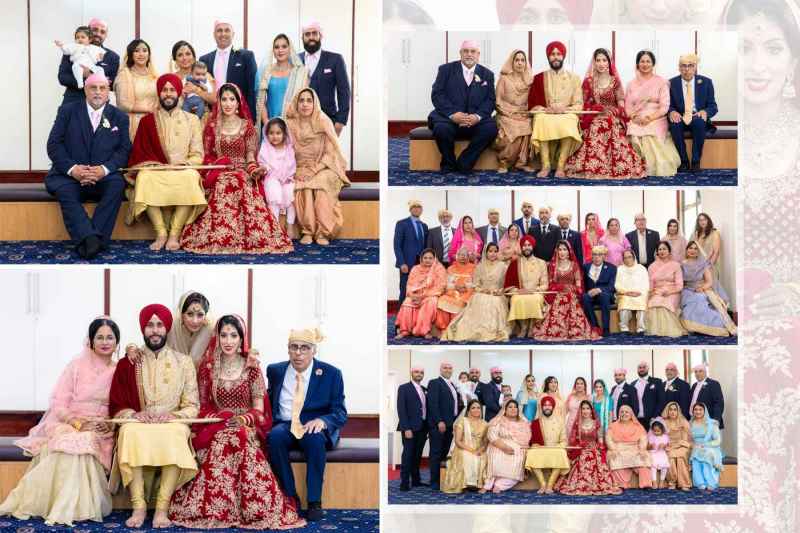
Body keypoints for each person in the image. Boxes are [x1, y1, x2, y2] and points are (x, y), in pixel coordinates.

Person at [169, 316, 305, 529]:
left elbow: (259, 409)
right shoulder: (209, 368)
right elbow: (202, 405)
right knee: (226, 436)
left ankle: (252, 508)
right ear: (217, 337)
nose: (228, 340)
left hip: (247, 426)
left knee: (237, 435)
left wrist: (242, 419)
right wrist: (221, 419)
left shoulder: (252, 368)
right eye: (224, 335)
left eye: (234, 335)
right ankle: (218, 507)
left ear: (242, 339)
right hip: (216, 426)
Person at [0, 318, 118, 526]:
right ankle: (63, 505)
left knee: (86, 440)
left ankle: (74, 505)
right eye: (99, 337)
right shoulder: (76, 366)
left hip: (101, 428)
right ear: (90, 341)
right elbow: (59, 403)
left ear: (117, 342)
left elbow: (121, 405)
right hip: (70, 422)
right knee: (71, 440)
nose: (105, 341)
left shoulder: (119, 370)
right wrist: (76, 422)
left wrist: (110, 423)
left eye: (110, 337)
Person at [109, 304, 199, 528]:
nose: (155, 330)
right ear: (143, 329)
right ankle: (138, 507)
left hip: (172, 422)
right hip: (139, 422)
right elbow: (117, 402)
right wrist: (135, 415)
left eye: (160, 325)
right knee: (129, 432)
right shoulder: (130, 362)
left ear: (167, 328)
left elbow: (192, 404)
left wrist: (173, 415)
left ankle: (161, 509)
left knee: (177, 434)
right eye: (150, 325)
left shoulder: (184, 362)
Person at [180, 83, 293, 254]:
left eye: (232, 99)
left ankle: (248, 237)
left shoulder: (247, 126)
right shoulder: (211, 126)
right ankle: (222, 237)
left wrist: (254, 169)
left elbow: (250, 154)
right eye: (224, 99)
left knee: (238, 180)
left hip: (242, 170)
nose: (227, 103)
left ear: (238, 103)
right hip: (219, 169)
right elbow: (208, 155)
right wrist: (218, 165)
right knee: (226, 182)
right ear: (218, 101)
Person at [45, 73, 130, 259]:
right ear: (85, 90)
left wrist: (104, 170)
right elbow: (54, 144)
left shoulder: (120, 117)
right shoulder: (67, 111)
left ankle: (90, 238)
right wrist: (73, 169)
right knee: (65, 191)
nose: (98, 92)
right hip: (70, 175)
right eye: (93, 88)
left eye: (102, 88)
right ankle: (94, 239)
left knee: (117, 185)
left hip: (104, 176)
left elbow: (124, 151)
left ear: (109, 92)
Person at [266, 328, 347, 522]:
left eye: (304, 348)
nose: (298, 353)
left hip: (314, 426)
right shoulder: (275, 371)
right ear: (288, 349)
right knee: (274, 437)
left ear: (314, 350)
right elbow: (267, 399)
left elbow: (340, 413)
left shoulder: (331, 374)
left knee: (314, 440)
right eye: (294, 347)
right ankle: (290, 497)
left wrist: (323, 421)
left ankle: (314, 501)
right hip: (285, 424)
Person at [125, 73, 207, 252]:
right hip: (157, 170)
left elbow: (198, 153)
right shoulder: (147, 121)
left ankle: (174, 234)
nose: (168, 94)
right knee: (145, 178)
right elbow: (139, 154)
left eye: (172, 90)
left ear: (178, 93)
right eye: (164, 90)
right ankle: (161, 232)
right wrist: (153, 165)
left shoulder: (192, 120)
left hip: (183, 170)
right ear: (159, 93)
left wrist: (185, 165)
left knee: (191, 178)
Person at [564, 47, 647, 179]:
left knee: (608, 123)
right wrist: (596, 108)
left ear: (609, 62)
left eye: (604, 60)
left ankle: (611, 165)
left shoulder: (615, 82)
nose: (601, 63)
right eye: (598, 60)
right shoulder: (588, 82)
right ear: (594, 62)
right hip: (594, 116)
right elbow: (583, 103)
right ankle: (595, 166)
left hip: (612, 116)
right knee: (597, 126)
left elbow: (621, 104)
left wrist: (612, 110)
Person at [285, 88, 351, 245]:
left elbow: (331, 153)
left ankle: (323, 232)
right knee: (303, 186)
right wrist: (295, 170)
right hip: (300, 166)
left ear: (315, 103)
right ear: (296, 103)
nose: (305, 104)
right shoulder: (290, 124)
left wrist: (314, 169)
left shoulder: (323, 121)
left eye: (309, 100)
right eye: (302, 101)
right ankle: (308, 231)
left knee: (320, 185)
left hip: (325, 167)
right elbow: (285, 152)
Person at [428, 40, 498, 173]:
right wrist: (453, 114)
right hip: (449, 119)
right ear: (460, 53)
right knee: (441, 129)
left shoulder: (487, 74)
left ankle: (465, 162)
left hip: (475, 121)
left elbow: (490, 100)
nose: (469, 54)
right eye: (465, 51)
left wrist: (477, 117)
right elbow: (437, 94)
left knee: (491, 128)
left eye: (473, 51)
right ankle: (448, 163)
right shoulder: (445, 70)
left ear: (478, 55)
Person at [528, 41, 583, 178]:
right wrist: (546, 109)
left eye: (558, 54)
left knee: (570, 121)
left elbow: (578, 104)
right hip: (546, 113)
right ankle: (545, 165)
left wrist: (563, 109)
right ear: (548, 57)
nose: (556, 57)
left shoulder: (574, 79)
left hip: (566, 114)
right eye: (552, 54)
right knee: (540, 119)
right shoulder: (539, 78)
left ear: (563, 56)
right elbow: (533, 105)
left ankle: (560, 166)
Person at [625, 50, 681, 176]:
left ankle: (652, 168)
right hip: (637, 117)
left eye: (648, 61)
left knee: (648, 133)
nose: (645, 64)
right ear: (637, 64)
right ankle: (636, 167)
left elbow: (664, 107)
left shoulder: (661, 82)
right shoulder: (631, 84)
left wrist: (649, 118)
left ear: (653, 64)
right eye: (642, 61)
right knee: (633, 132)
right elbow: (627, 106)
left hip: (656, 118)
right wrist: (634, 117)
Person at [441, 243, 511, 342]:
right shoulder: (480, 266)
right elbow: (476, 284)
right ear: (486, 253)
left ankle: (493, 331)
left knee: (495, 302)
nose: (493, 254)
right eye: (490, 251)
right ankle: (477, 330)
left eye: (495, 251)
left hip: (497, 294)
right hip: (482, 292)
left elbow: (506, 284)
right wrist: (483, 290)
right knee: (479, 299)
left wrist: (499, 291)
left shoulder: (503, 266)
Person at [533, 240, 601, 341]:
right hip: (555, 294)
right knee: (564, 296)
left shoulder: (574, 265)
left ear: (569, 251)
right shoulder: (553, 266)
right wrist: (561, 288)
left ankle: (572, 330)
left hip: (572, 294)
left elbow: (578, 285)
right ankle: (559, 330)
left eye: (564, 249)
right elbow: (550, 284)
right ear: (557, 251)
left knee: (568, 296)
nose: (562, 252)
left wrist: (570, 288)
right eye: (560, 249)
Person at [554, 401, 622, 495]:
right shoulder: (577, 424)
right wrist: (576, 449)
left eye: (587, 408)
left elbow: (600, 441)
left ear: (591, 411)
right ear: (580, 411)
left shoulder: (596, 424)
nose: (585, 411)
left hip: (594, 451)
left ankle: (594, 483)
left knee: (593, 459)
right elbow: (573, 440)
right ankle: (582, 483)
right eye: (583, 409)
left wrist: (601, 451)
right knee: (582, 458)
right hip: (580, 451)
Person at [668, 53, 718, 172]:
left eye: (690, 65)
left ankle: (696, 161)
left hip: (696, 115)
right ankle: (683, 161)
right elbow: (668, 105)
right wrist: (672, 111)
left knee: (699, 122)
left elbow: (713, 106)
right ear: (679, 67)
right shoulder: (671, 83)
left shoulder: (706, 82)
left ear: (695, 67)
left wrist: (705, 112)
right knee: (675, 124)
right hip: (680, 116)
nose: (686, 69)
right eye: (683, 66)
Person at [298, 22, 351, 135]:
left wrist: (340, 122)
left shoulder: (335, 59)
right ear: (302, 38)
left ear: (320, 36)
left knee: (328, 153)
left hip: (328, 122)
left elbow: (344, 92)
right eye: (307, 34)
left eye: (314, 33)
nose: (311, 37)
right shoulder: (296, 60)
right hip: (301, 124)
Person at [199, 20, 258, 117]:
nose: (223, 34)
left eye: (227, 30)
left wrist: (250, 117)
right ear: (214, 34)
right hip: (212, 114)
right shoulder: (204, 59)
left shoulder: (246, 56)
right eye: (219, 30)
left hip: (239, 115)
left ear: (233, 34)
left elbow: (252, 89)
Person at [58, 18, 120, 106]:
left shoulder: (112, 57)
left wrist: (90, 74)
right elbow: (63, 77)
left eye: (102, 32)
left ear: (106, 35)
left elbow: (113, 83)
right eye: (95, 30)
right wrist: (86, 80)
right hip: (73, 103)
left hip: (100, 106)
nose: (98, 34)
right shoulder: (72, 50)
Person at [255, 33, 309, 134]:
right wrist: (267, 122)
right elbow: (260, 100)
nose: (280, 50)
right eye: (276, 47)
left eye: (284, 46)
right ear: (273, 50)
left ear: (290, 49)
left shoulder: (299, 73)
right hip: (271, 126)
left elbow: (304, 101)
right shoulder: (266, 71)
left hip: (293, 126)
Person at [681, 241, 738, 336]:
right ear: (686, 250)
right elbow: (681, 281)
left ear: (698, 252)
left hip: (703, 288)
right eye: (690, 248)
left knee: (707, 301)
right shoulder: (681, 264)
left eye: (696, 249)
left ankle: (719, 327)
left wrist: (702, 288)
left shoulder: (703, 264)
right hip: (687, 290)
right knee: (691, 303)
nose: (693, 250)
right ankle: (695, 327)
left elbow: (709, 281)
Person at [493, 49, 534, 172]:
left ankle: (521, 163)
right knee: (512, 127)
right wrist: (510, 113)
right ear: (512, 62)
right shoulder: (504, 79)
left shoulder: (529, 82)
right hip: (505, 114)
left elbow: (531, 102)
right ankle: (504, 162)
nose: (520, 63)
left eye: (523, 60)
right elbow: (498, 102)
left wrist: (525, 112)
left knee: (528, 124)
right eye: (517, 60)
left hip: (523, 115)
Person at [480, 400, 531, 493]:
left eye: (515, 407)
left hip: (517, 450)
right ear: (505, 409)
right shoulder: (498, 420)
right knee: (496, 455)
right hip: (498, 446)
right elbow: (491, 435)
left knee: (518, 459)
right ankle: (488, 484)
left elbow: (528, 438)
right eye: (510, 407)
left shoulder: (524, 422)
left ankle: (500, 485)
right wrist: (504, 447)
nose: (513, 409)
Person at [257, 117, 297, 236]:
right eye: (271, 133)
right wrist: (263, 169)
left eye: (278, 133)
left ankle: (289, 225)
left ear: (284, 134)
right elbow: (264, 164)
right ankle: (274, 226)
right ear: (267, 134)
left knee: (291, 193)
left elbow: (292, 166)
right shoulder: (265, 148)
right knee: (274, 191)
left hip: (286, 179)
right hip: (271, 177)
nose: (275, 136)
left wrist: (288, 177)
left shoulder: (288, 149)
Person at [427, 362, 463, 491]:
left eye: (450, 368)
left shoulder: (452, 384)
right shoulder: (434, 382)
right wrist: (439, 421)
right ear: (440, 369)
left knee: (444, 453)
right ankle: (434, 482)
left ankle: (442, 479)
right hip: (439, 425)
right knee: (436, 453)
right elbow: (433, 403)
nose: (448, 370)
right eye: (445, 368)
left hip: (450, 425)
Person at [395, 249, 447, 339]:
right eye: (425, 258)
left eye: (430, 258)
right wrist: (412, 295)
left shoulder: (439, 269)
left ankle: (423, 331)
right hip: (415, 295)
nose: (427, 260)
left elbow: (440, 287)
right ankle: (404, 330)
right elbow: (410, 284)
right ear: (421, 259)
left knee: (430, 303)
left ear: (434, 259)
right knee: (407, 303)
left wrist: (423, 296)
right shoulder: (415, 269)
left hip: (431, 295)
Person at [504, 235, 549, 338]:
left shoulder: (541, 263)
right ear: (521, 247)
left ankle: (531, 327)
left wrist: (534, 290)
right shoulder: (515, 263)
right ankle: (524, 327)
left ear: (532, 247)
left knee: (536, 299)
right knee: (515, 299)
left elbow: (545, 284)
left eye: (529, 245)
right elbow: (509, 284)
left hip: (535, 292)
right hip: (520, 292)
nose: (527, 247)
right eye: (524, 245)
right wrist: (518, 290)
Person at [114, 39, 158, 140]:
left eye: (144, 50)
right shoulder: (125, 75)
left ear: (149, 54)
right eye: (136, 51)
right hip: (133, 123)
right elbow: (123, 104)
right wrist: (148, 109)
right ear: (131, 54)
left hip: (154, 122)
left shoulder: (155, 76)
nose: (141, 54)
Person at [524, 395, 569, 494]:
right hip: (541, 449)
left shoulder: (560, 422)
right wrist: (534, 444)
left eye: (549, 405)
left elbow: (564, 440)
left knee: (561, 453)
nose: (547, 407)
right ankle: (543, 484)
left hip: (555, 449)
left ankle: (550, 485)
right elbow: (531, 440)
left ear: (553, 407)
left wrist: (557, 446)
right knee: (531, 453)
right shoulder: (536, 422)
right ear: (541, 407)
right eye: (545, 405)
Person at [442, 399, 489, 493]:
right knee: (468, 457)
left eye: (478, 408)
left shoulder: (485, 424)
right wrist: (472, 450)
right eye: (473, 408)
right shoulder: (463, 422)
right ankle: (466, 484)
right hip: (463, 448)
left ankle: (477, 484)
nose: (476, 410)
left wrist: (480, 450)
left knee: (484, 457)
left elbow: (485, 442)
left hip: (479, 449)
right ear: (468, 410)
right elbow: (458, 441)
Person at [646, 241, 688, 336]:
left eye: (664, 249)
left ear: (669, 251)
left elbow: (679, 285)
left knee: (666, 303)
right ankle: (657, 331)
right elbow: (651, 284)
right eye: (660, 249)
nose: (662, 251)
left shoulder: (676, 265)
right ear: (657, 252)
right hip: (657, 291)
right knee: (653, 303)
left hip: (673, 291)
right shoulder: (652, 267)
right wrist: (651, 293)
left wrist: (669, 291)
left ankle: (670, 330)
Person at [605, 405, 652, 490]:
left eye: (626, 412)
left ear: (631, 414)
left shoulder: (637, 426)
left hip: (634, 448)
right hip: (618, 448)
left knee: (644, 457)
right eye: (622, 412)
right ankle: (621, 484)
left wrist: (642, 449)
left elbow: (643, 438)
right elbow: (608, 439)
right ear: (619, 414)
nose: (624, 414)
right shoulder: (613, 426)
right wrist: (613, 449)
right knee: (614, 458)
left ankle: (646, 484)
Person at [397, 366, 428, 491]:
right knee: (408, 455)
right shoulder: (404, 388)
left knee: (417, 456)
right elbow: (401, 409)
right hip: (409, 428)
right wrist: (406, 428)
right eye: (416, 372)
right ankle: (404, 483)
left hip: (422, 428)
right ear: (411, 373)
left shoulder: (425, 389)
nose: (419, 374)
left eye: (421, 372)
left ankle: (416, 481)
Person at [168, 41, 217, 119]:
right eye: (180, 55)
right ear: (175, 59)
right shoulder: (171, 79)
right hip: (178, 120)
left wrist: (196, 90)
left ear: (194, 57)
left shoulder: (205, 75)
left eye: (188, 54)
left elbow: (214, 99)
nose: (184, 58)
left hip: (202, 119)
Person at [167, 291, 214, 367]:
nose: (195, 321)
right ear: (181, 315)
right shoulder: (171, 331)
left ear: (205, 315)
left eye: (200, 315)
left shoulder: (211, 332)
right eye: (190, 314)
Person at [394, 200, 428, 304]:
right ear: (410, 209)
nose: (417, 209)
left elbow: (426, 247)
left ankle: (415, 315)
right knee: (405, 289)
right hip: (406, 264)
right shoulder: (402, 223)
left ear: (421, 210)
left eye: (419, 207)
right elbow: (397, 245)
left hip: (421, 264)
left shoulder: (424, 226)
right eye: (414, 207)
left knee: (419, 289)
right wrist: (401, 262)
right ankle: (401, 316)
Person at [435, 246, 477, 331]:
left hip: (467, 293)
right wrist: (456, 287)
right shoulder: (451, 268)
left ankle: (456, 329)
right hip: (452, 292)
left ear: (468, 257)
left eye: (465, 255)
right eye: (460, 255)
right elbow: (445, 284)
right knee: (442, 300)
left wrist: (465, 286)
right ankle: (444, 328)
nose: (462, 257)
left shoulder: (474, 268)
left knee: (461, 302)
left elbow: (476, 283)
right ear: (456, 256)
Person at [581, 245, 617, 336]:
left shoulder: (611, 268)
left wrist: (599, 289)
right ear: (591, 256)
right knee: (585, 297)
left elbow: (612, 286)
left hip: (605, 294)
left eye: (599, 255)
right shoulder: (586, 267)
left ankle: (605, 328)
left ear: (604, 256)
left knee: (604, 296)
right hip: (591, 294)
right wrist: (587, 291)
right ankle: (595, 326)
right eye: (594, 254)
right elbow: (583, 283)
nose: (597, 257)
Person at [689, 403, 723, 491]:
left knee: (706, 455)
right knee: (696, 456)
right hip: (695, 447)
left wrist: (705, 445)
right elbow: (689, 440)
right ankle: (700, 483)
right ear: (693, 411)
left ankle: (710, 482)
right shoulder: (690, 423)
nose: (698, 411)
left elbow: (718, 441)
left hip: (710, 447)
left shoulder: (712, 423)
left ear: (704, 411)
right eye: (696, 409)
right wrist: (693, 445)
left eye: (700, 409)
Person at [615, 249, 649, 334]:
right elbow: (617, 284)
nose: (627, 259)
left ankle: (641, 329)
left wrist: (639, 292)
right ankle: (624, 328)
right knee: (624, 303)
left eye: (629, 257)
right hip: (625, 294)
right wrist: (626, 292)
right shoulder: (620, 269)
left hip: (639, 293)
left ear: (634, 258)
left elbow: (646, 284)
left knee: (642, 303)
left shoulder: (641, 268)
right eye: (625, 258)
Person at [661, 401, 693, 491]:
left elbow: (686, 440)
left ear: (678, 411)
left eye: (675, 410)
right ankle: (672, 482)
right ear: (667, 411)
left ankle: (684, 483)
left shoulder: (683, 422)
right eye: (670, 410)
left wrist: (676, 445)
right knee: (670, 456)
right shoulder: (663, 422)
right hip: (668, 446)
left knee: (680, 456)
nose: (672, 412)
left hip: (682, 446)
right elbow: (660, 437)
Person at [689, 364, 725, 429]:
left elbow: (719, 403)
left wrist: (715, 420)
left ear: (705, 372)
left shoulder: (713, 384)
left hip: (710, 422)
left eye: (700, 371)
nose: (698, 373)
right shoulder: (694, 385)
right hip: (696, 421)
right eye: (696, 372)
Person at [630, 361, 664, 430]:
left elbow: (661, 401)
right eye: (640, 368)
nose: (641, 369)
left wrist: (655, 417)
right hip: (636, 419)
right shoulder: (632, 384)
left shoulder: (657, 382)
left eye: (644, 367)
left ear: (648, 369)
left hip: (652, 419)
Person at [692, 213, 723, 283]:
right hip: (698, 265)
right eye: (700, 220)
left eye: (704, 220)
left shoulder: (715, 233)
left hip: (710, 265)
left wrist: (709, 267)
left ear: (708, 221)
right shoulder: (697, 234)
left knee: (710, 288)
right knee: (700, 288)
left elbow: (716, 252)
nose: (702, 222)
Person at [647, 418, 671, 489]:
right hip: (653, 453)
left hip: (662, 453)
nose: (656, 432)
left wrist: (664, 446)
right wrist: (651, 446)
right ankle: (654, 481)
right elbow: (647, 447)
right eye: (654, 431)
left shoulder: (665, 437)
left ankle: (662, 481)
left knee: (665, 466)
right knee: (653, 466)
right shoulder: (651, 437)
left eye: (658, 431)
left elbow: (668, 446)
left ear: (662, 430)